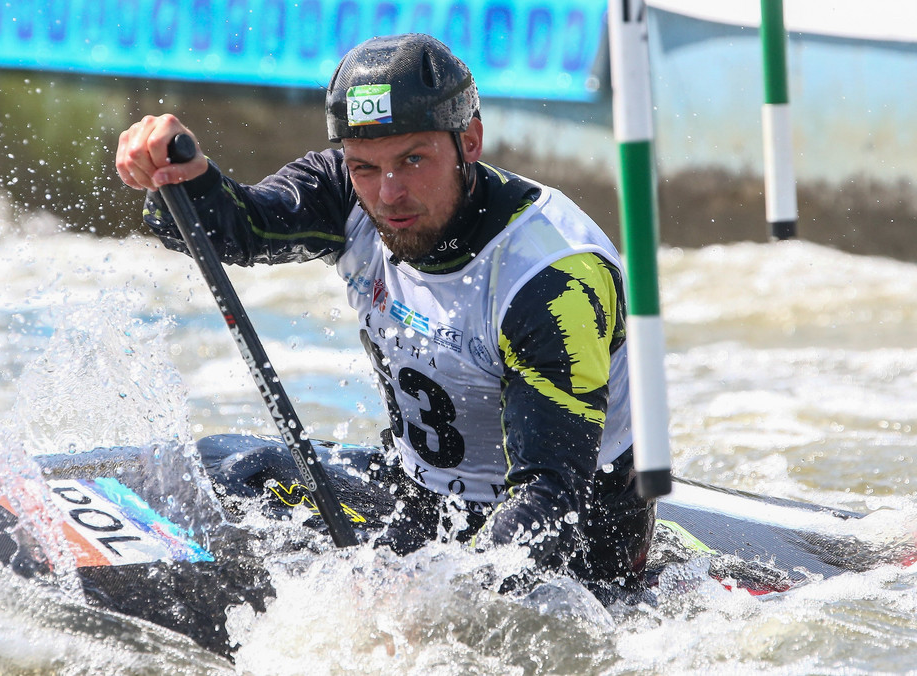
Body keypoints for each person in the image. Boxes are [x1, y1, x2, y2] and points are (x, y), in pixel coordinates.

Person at [115, 33, 655, 585]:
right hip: (421, 499)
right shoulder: (347, 190)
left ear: (469, 141)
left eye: (413, 159)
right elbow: (237, 229)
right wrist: (184, 180)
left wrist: (432, 602)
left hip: (578, 541)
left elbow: (549, 502)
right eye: (364, 167)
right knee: (222, 466)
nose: (388, 194)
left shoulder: (550, 280)